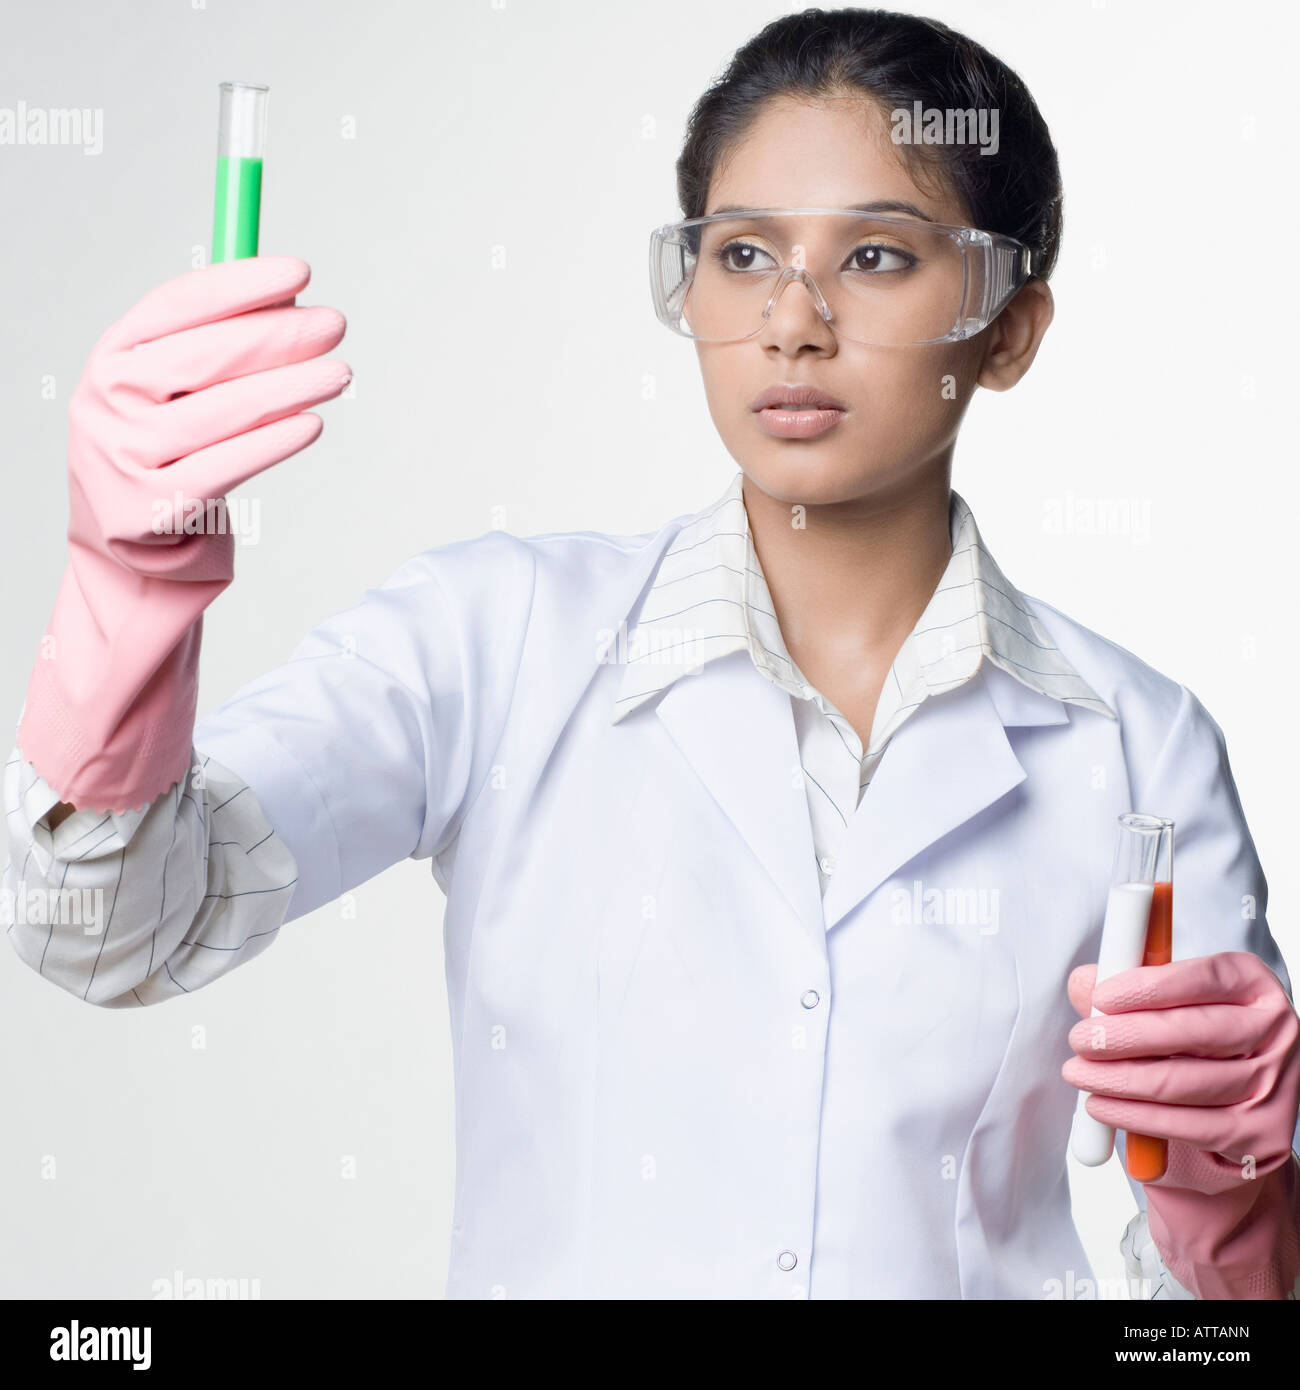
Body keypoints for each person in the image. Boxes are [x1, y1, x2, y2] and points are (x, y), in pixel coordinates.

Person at [6, 7, 1298, 1300]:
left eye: (877, 259)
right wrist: (126, 597)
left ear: (1009, 329)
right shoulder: (496, 639)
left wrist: (1237, 1201)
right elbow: (113, 932)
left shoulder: (1138, 742)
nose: (792, 323)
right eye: (743, 254)